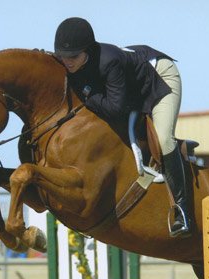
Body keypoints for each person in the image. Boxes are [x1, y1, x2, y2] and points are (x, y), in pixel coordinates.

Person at [54, 17, 191, 238]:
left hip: (160, 79)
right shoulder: (68, 58)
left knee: (164, 138)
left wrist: (87, 93)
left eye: (73, 57)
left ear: (87, 51)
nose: (67, 62)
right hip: (132, 87)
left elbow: (115, 108)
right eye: (62, 56)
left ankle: (182, 211)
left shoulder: (109, 62)